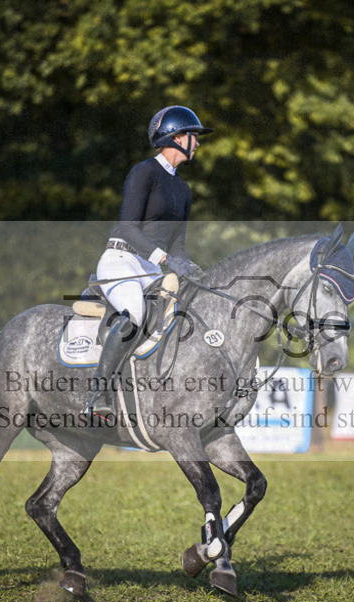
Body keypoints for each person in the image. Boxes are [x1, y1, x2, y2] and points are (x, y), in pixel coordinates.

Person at [83, 105, 213, 415]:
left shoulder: (183, 190)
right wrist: (167, 259)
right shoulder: (144, 172)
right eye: (194, 136)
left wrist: (189, 266)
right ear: (177, 137)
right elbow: (129, 226)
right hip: (121, 259)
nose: (198, 142)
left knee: (189, 313)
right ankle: (98, 395)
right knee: (136, 312)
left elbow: (177, 244)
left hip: (151, 268)